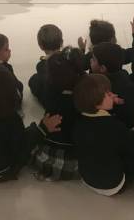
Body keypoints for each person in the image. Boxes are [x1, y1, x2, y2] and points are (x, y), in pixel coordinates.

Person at [0, 65, 61, 181]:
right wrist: (42, 129)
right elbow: (20, 147)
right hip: (4, 171)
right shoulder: (11, 117)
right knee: (32, 132)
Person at [72, 74, 134, 196]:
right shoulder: (113, 126)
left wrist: (109, 103)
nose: (114, 95)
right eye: (109, 94)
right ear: (97, 103)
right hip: (112, 184)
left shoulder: (79, 122)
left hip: (87, 177)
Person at [31, 46, 85, 181]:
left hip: (48, 155)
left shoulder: (48, 90)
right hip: (79, 157)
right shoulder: (86, 95)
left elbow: (34, 81)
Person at [90, 42, 134, 130]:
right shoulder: (123, 74)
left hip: (124, 129)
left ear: (102, 68)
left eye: (94, 59)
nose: (90, 60)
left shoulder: (105, 89)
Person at [28, 24, 63, 107]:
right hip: (72, 99)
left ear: (41, 46)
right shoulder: (70, 58)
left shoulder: (42, 65)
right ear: (61, 42)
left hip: (54, 103)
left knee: (33, 80)